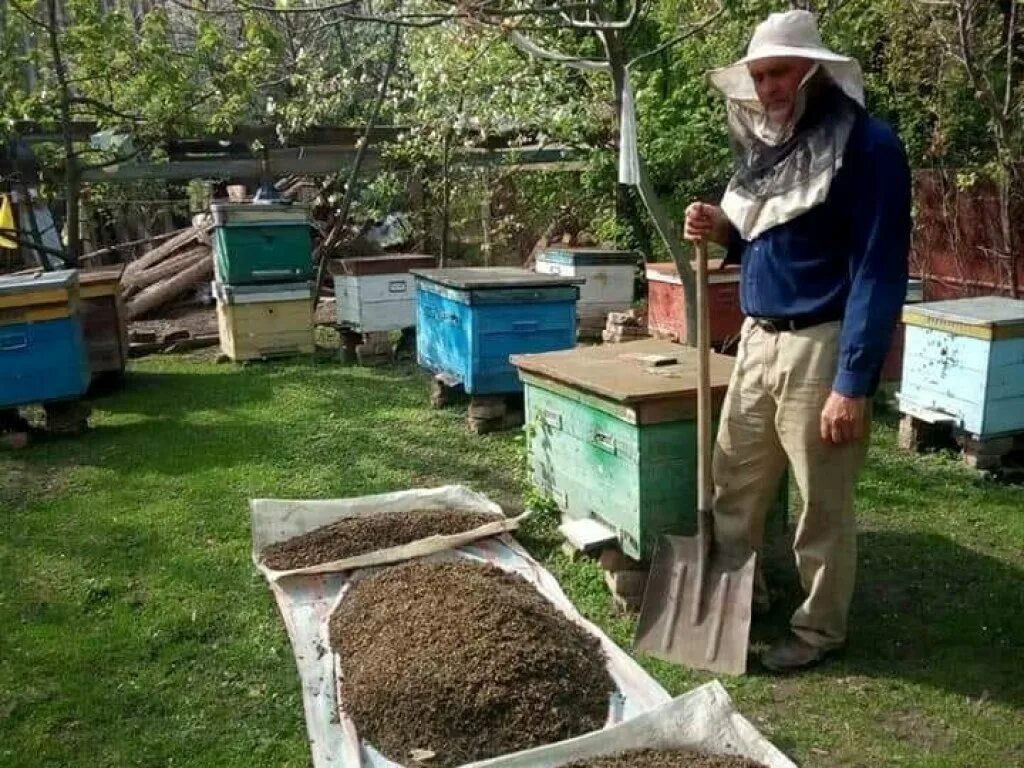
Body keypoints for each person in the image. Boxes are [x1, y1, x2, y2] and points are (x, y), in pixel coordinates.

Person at [684, 10, 911, 671]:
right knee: (735, 486)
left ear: (813, 70)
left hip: (823, 346)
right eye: (758, 76)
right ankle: (732, 604)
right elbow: (773, 235)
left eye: (778, 72)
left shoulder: (869, 147)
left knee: (821, 505)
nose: (768, 87)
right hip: (757, 341)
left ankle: (817, 631)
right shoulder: (770, 148)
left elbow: (878, 265)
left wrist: (853, 382)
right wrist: (723, 229)